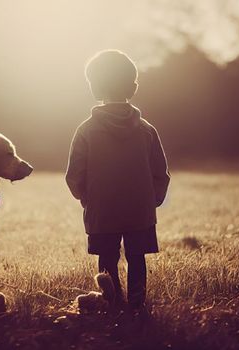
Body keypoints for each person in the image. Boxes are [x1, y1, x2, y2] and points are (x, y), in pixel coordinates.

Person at [65, 49, 170, 312]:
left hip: (102, 209)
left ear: (94, 87)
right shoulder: (147, 130)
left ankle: (111, 302)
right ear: (133, 87)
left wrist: (85, 197)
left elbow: (74, 175)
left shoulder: (86, 130)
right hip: (140, 209)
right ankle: (136, 304)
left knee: (107, 257)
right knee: (137, 256)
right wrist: (153, 200)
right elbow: (161, 172)